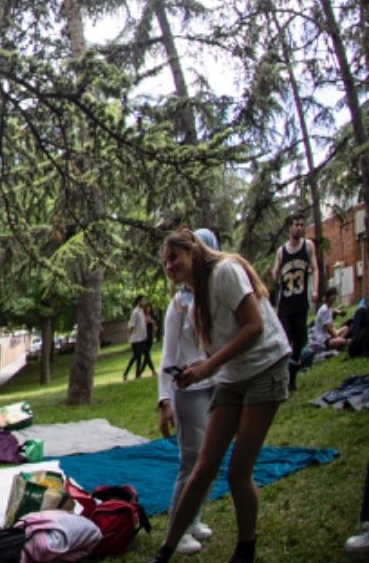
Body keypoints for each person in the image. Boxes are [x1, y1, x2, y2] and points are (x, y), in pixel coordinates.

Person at [147, 229, 293, 563]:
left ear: (193, 253)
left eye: (174, 258)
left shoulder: (224, 272)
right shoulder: (194, 301)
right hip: (232, 378)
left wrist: (209, 367)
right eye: (164, 262)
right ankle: (165, 552)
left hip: (265, 367)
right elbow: (215, 347)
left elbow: (253, 326)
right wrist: (196, 371)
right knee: (201, 469)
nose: (168, 266)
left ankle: (245, 548)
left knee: (238, 471)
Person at [157, 227, 220, 557]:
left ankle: (193, 519)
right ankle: (176, 531)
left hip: (216, 388)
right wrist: (164, 400)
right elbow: (168, 356)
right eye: (166, 260)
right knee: (190, 462)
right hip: (188, 392)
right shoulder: (178, 305)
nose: (170, 265)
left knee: (208, 460)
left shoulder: (214, 295)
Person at [271, 212, 318, 385]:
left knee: (300, 341)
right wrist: (271, 274)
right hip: (285, 306)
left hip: (301, 304)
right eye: (296, 225)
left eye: (301, 225)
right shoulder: (281, 252)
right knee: (286, 341)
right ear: (289, 227)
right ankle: (284, 378)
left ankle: (292, 377)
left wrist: (315, 290)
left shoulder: (308, 246)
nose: (299, 228)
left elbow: (315, 268)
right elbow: (275, 278)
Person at [125, 294, 156, 379]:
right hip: (136, 338)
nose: (144, 302)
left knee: (139, 358)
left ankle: (137, 374)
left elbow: (142, 325)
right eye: (143, 300)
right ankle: (125, 373)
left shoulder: (141, 311)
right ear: (139, 302)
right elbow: (131, 326)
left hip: (142, 338)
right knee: (135, 356)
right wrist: (129, 337)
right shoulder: (135, 312)